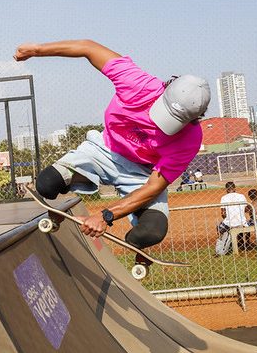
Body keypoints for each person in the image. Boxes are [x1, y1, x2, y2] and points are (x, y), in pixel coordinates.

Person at [16, 40, 211, 264]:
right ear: (164, 90)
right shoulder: (137, 83)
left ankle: (138, 246)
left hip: (141, 174)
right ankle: (68, 184)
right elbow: (87, 48)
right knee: (46, 184)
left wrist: (106, 215)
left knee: (152, 231)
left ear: (194, 119)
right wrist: (37, 50)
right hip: (102, 151)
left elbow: (153, 187)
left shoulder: (190, 138)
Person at [215, 182, 250, 255]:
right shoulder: (241, 196)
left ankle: (223, 242)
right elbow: (247, 209)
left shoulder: (224, 198)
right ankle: (240, 242)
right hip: (241, 222)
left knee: (218, 226)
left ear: (226, 189)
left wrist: (228, 216)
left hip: (229, 224)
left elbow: (223, 214)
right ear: (234, 188)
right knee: (240, 222)